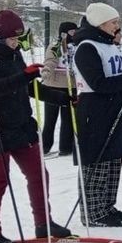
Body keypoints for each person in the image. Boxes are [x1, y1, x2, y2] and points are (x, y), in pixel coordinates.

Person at [0, 9, 66, 243]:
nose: (16, 45)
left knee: (38, 173)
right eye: (12, 40)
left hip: (20, 122)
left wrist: (62, 98)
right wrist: (24, 76)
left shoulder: (13, 52)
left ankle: (44, 223)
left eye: (18, 40)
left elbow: (28, 86)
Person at [73, 3, 122, 228]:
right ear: (100, 23)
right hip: (95, 110)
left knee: (113, 158)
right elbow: (98, 83)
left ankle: (107, 206)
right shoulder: (87, 47)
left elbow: (119, 75)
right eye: (113, 22)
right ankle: (93, 211)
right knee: (97, 159)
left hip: (115, 107)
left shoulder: (108, 45)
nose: (117, 26)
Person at [40, 21, 77, 156]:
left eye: (75, 32)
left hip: (70, 86)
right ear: (64, 33)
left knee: (68, 120)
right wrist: (46, 71)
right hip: (53, 87)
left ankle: (66, 147)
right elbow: (50, 61)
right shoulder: (56, 46)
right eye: (71, 32)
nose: (74, 35)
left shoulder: (77, 46)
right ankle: (45, 147)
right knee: (50, 119)